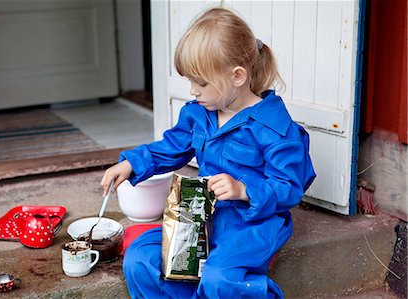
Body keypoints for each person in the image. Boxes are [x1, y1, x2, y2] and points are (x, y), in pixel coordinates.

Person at [101, 6, 315, 299]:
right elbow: (170, 148)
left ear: (237, 76)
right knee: (141, 259)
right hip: (199, 213)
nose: (192, 91)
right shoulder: (198, 114)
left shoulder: (275, 127)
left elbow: (289, 187)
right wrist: (131, 164)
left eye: (200, 82)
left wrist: (243, 189)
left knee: (219, 278)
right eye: (189, 81)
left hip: (251, 223)